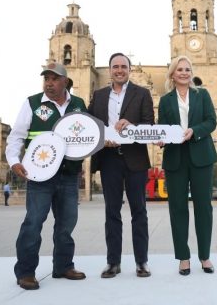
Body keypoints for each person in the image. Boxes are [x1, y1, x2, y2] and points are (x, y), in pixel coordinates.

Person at [5, 63, 87, 290]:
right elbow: (16, 137)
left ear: (65, 82)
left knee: (66, 224)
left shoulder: (79, 105)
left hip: (69, 175)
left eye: (54, 78)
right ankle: (25, 272)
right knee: (33, 223)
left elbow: (88, 135)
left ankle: (63, 266)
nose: (49, 83)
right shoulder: (32, 103)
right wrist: (14, 161)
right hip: (40, 176)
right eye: (46, 79)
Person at [88, 52, 154, 279]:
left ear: (129, 69)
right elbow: (91, 125)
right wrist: (100, 138)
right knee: (111, 212)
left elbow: (149, 124)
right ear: (110, 70)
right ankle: (113, 262)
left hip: (135, 159)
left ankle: (142, 262)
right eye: (115, 66)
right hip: (108, 159)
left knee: (139, 212)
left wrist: (132, 125)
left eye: (123, 66)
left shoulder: (142, 94)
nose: (119, 70)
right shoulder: (98, 96)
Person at [157, 55, 217, 275]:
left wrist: (195, 131)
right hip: (175, 158)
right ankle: (183, 257)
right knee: (178, 209)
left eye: (187, 69)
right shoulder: (165, 101)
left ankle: (205, 256)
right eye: (180, 69)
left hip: (201, 156)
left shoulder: (202, 95)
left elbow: (212, 121)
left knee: (204, 208)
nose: (184, 72)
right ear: (172, 74)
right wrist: (160, 137)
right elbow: (162, 127)